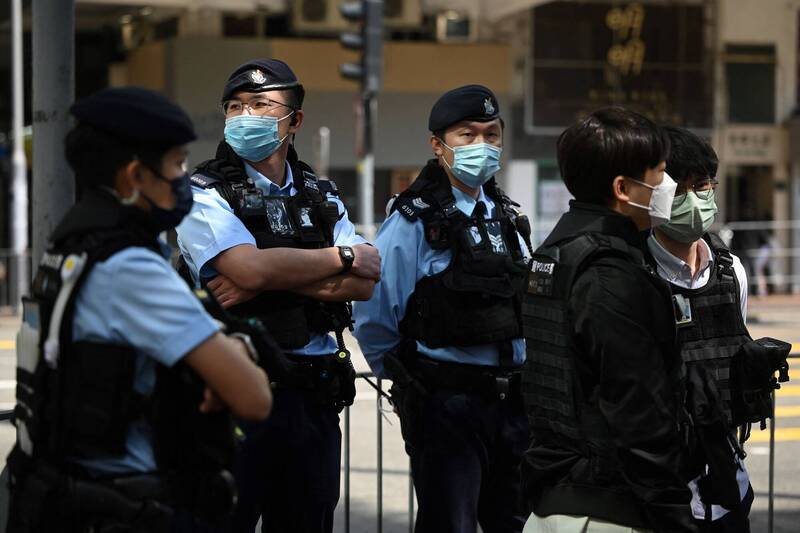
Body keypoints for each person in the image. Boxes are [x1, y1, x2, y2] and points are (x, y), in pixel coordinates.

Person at [6, 86, 273, 533]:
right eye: (177, 164)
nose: (184, 178)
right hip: (123, 507)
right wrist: (236, 354)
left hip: (64, 490)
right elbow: (254, 397)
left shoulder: (73, 246)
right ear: (134, 177)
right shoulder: (129, 267)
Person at [175, 58, 380, 533]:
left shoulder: (321, 195)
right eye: (235, 106)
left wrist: (267, 273)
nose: (245, 115)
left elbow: (366, 281)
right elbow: (247, 268)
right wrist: (341, 257)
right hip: (234, 392)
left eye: (261, 105)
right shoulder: (203, 192)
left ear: (294, 121)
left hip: (314, 397)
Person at [353, 84, 533, 533]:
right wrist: (411, 382)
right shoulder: (414, 220)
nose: (482, 145)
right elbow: (375, 314)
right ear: (438, 145)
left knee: (516, 522)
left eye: (491, 134)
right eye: (467, 135)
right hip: (447, 404)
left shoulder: (508, 215)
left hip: (513, 405)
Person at [520, 107, 698, 532]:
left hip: (555, 503)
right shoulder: (610, 275)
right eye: (660, 174)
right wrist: (674, 516)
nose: (669, 186)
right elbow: (638, 412)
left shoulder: (555, 254)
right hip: (608, 510)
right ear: (623, 188)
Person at [646, 126, 756, 531]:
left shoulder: (731, 271)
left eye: (704, 185)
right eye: (681, 189)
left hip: (726, 489)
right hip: (659, 498)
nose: (696, 198)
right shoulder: (633, 275)